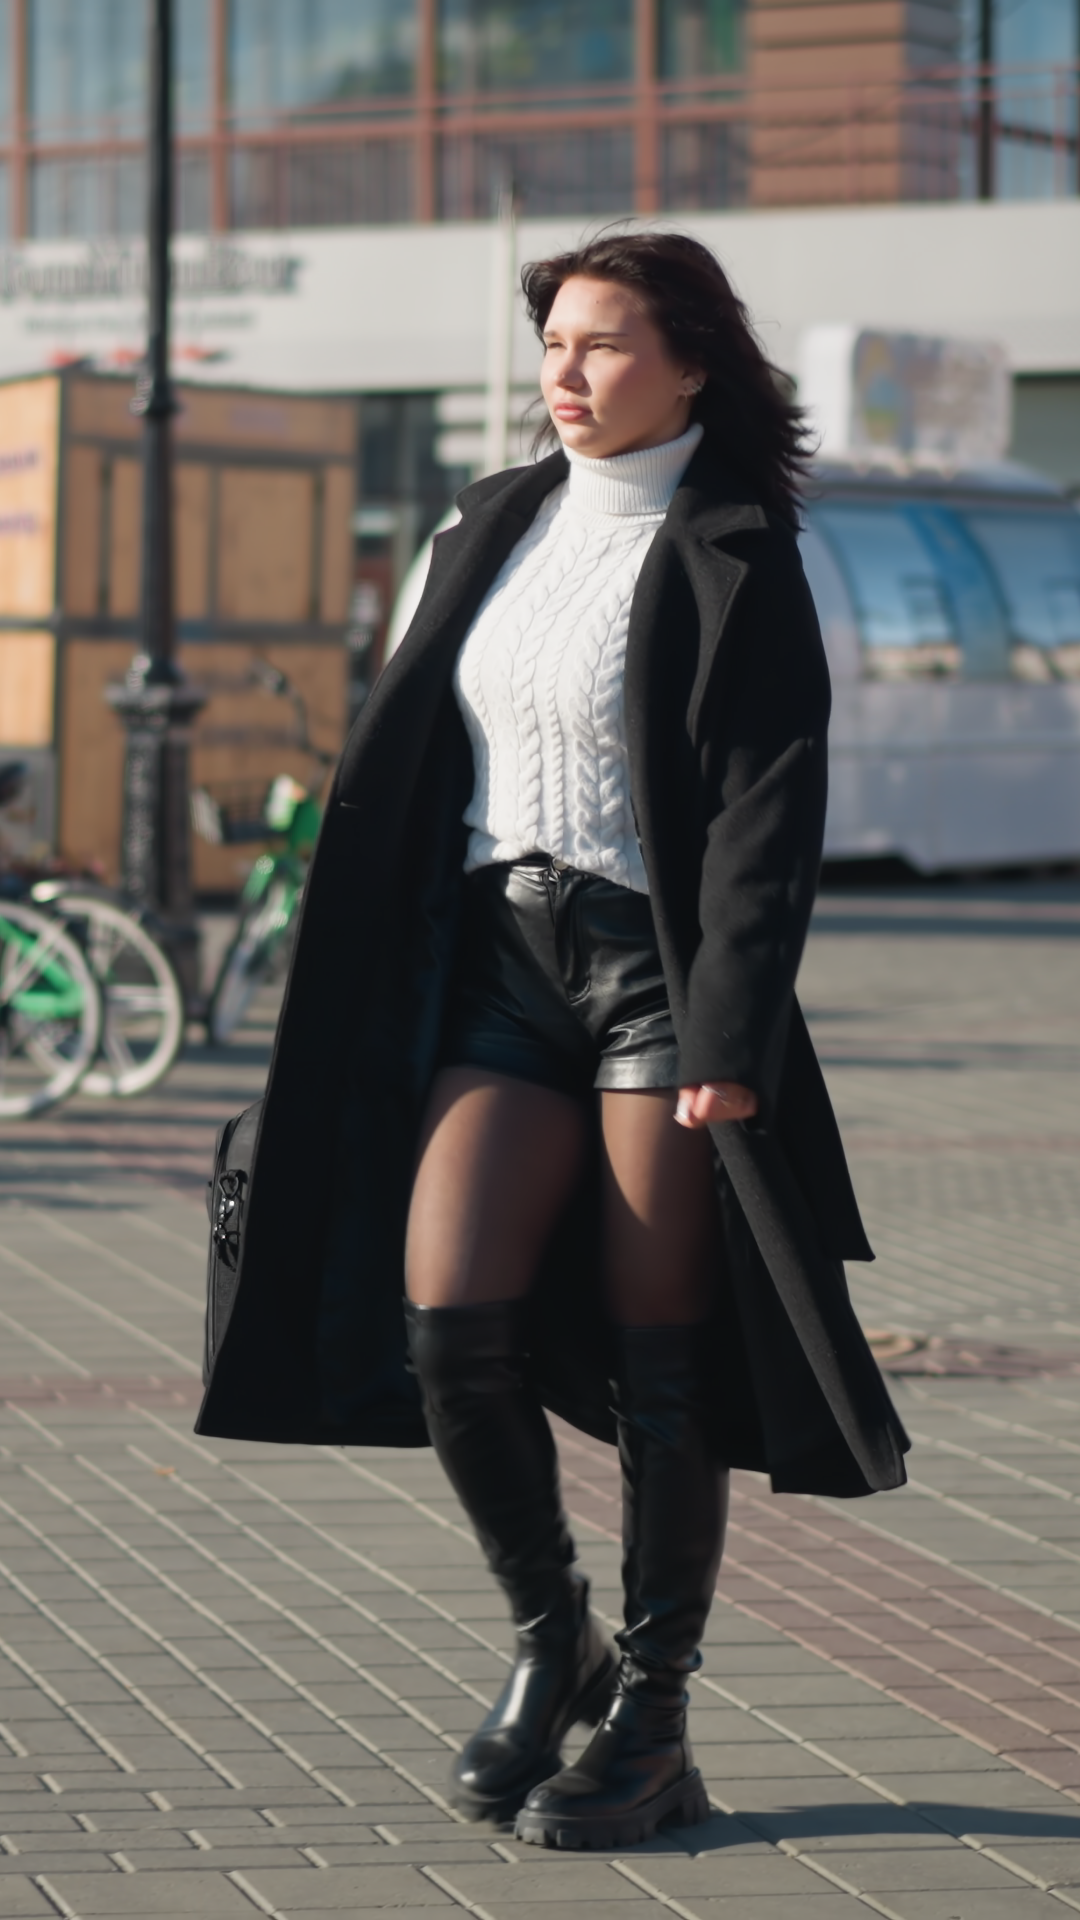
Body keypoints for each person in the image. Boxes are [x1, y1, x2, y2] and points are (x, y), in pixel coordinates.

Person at [196, 230, 909, 1854]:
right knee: (450, 1319)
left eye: (602, 344)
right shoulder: (491, 520)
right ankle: (553, 1636)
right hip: (496, 964)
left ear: (692, 365)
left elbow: (768, 812)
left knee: (666, 1359)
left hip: (656, 975)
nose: (565, 375)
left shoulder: (736, 546)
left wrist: (730, 1028)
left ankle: (654, 1717)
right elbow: (407, 749)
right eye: (553, 344)